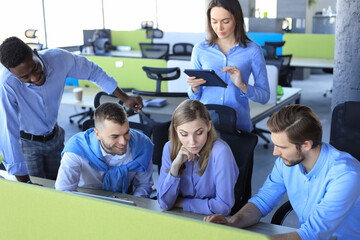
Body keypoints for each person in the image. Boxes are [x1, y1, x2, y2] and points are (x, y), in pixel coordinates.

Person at [204, 104, 360, 240]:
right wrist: (232, 224)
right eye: (274, 145)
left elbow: (312, 235)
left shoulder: (345, 175)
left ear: (306, 145)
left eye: (282, 147)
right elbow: (262, 201)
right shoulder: (286, 162)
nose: (275, 152)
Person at [0, 36, 143, 183]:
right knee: (36, 194)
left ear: (36, 54)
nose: (35, 77)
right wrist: (23, 182)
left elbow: (93, 71)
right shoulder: (7, 84)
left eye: (35, 68)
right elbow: (7, 133)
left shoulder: (58, 59)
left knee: (60, 188)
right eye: (25, 77)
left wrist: (125, 98)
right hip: (27, 145)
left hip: (54, 137)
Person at [187, 0, 270, 132]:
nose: (219, 28)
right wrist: (194, 88)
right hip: (205, 128)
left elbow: (265, 97)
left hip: (238, 127)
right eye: (214, 22)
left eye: (225, 22)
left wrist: (242, 86)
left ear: (237, 19)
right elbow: (194, 97)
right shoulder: (200, 49)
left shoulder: (253, 50)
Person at [156, 99, 239, 215]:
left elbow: (223, 207)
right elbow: (164, 203)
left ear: (209, 126)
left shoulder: (221, 152)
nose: (192, 142)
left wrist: (182, 203)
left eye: (199, 133)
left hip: (211, 222)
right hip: (180, 219)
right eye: (184, 134)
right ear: (176, 130)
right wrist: (175, 167)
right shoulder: (169, 148)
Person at [55, 102, 154, 197]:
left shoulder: (143, 146)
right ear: (97, 134)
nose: (123, 142)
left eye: (126, 133)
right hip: (85, 200)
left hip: (125, 201)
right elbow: (64, 191)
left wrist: (132, 203)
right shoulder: (76, 149)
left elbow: (144, 185)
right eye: (115, 136)